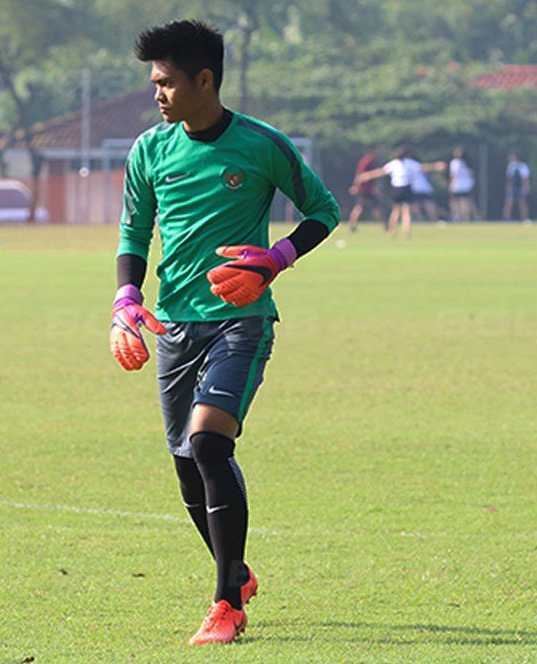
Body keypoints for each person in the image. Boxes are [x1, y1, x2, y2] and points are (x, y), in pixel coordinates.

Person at [109, 19, 339, 646]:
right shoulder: (149, 151)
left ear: (204, 79)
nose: (157, 93)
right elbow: (134, 234)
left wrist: (275, 260)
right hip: (175, 327)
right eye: (153, 83)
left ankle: (226, 605)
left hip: (241, 323)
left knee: (210, 445)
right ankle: (235, 567)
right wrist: (126, 298)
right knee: (186, 467)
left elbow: (324, 211)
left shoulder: (263, 144)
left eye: (167, 82)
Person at [355, 147, 444, 238]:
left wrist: (367, 175)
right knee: (406, 211)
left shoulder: (393, 164)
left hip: (396, 189)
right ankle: (406, 232)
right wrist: (436, 166)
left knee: (395, 210)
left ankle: (392, 231)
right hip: (406, 188)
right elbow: (423, 167)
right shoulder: (409, 163)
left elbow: (380, 172)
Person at [346, 147, 383, 232]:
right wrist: (355, 186)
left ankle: (381, 225)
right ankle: (352, 224)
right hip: (363, 189)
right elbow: (360, 175)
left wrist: (374, 188)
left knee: (375, 207)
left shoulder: (372, 162)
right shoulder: (366, 161)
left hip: (369, 189)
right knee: (359, 207)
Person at [448, 147, 477, 222]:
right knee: (467, 201)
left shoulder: (455, 162)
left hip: (458, 185)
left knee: (456, 201)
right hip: (468, 184)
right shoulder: (468, 163)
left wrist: (451, 184)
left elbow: (454, 175)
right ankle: (466, 217)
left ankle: (458, 216)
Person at [503, 152, 531, 224]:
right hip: (513, 187)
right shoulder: (510, 166)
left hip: (520, 186)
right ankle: (506, 218)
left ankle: (524, 218)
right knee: (509, 201)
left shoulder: (523, 166)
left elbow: (525, 179)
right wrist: (508, 188)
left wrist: (525, 188)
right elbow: (509, 179)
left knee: (522, 202)